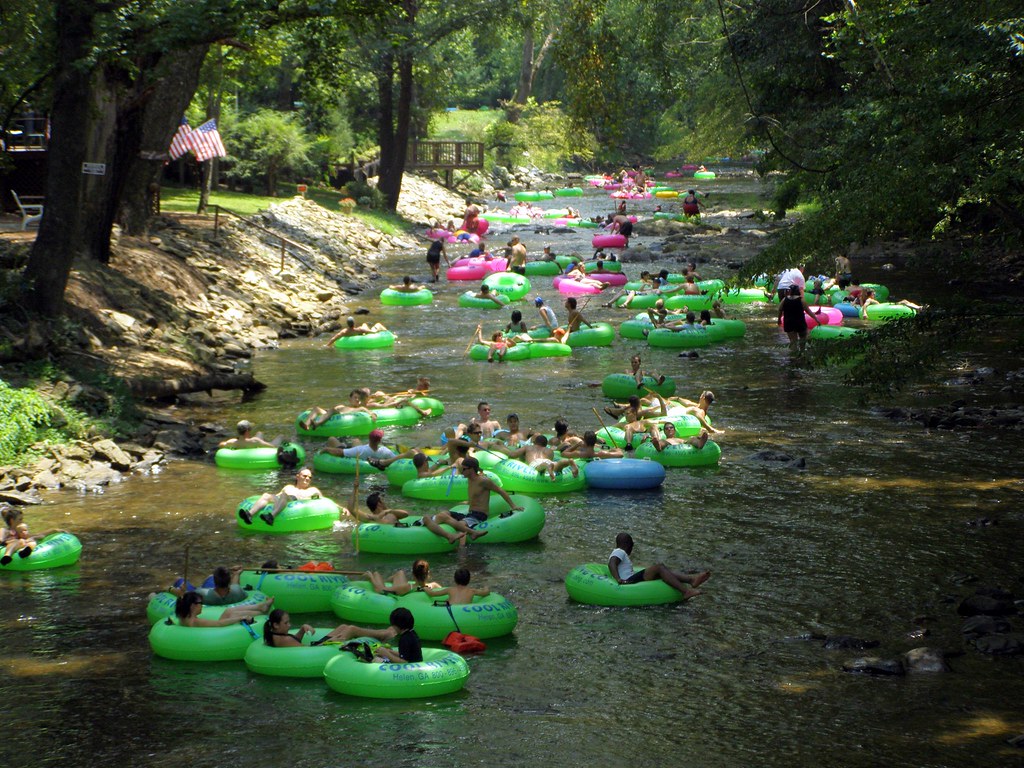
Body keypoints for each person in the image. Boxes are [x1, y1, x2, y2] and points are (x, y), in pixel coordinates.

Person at [608, 532, 709, 600]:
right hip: (627, 581)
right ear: (628, 545)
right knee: (659, 567)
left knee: (663, 571)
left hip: (629, 578)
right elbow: (612, 563)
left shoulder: (618, 552)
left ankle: (691, 579)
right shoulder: (619, 551)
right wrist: (618, 579)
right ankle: (686, 591)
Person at [239, 468, 324, 526]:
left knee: (284, 496)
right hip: (282, 499)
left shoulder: (313, 490)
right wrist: (271, 498)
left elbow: (323, 500)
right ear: (297, 476)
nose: (307, 479)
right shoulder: (288, 487)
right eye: (304, 476)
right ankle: (249, 514)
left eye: (310, 477)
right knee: (266, 495)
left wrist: (307, 499)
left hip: (295, 501)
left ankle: (271, 516)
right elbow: (277, 496)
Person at [458, 457, 523, 527]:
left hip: (479, 515)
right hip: (470, 513)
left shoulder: (483, 481)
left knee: (460, 525)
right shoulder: (469, 479)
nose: (462, 472)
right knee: (445, 514)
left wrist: (513, 506)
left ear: (471, 469)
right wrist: (468, 502)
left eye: (464, 469)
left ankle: (471, 533)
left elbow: (500, 491)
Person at [491, 434, 580, 481]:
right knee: (557, 465)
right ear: (545, 445)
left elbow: (512, 455)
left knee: (541, 466)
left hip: (538, 463)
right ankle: (569, 462)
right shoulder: (549, 451)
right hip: (548, 462)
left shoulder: (528, 447)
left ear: (534, 442)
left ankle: (547, 466)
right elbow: (551, 460)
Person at [173, 591, 274, 628]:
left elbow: (182, 599)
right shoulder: (195, 621)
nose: (202, 605)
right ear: (192, 606)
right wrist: (241, 618)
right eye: (201, 603)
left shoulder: (183, 616)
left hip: (211, 632)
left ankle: (260, 607)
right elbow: (219, 624)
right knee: (233, 615)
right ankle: (262, 612)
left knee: (228, 611)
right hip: (214, 636)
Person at [170, 565, 249, 605]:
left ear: (215, 581)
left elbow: (183, 595)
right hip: (222, 595)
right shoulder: (238, 592)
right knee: (210, 577)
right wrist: (236, 574)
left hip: (210, 595)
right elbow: (235, 585)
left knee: (179, 579)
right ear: (229, 581)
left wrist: (171, 589)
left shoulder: (202, 594)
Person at [302, 389, 377, 430]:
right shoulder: (342, 406)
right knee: (316, 408)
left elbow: (370, 413)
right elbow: (328, 410)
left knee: (333, 410)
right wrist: (313, 409)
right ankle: (306, 425)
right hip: (332, 412)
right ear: (350, 399)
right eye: (355, 397)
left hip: (340, 416)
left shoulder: (360, 408)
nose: (357, 400)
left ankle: (317, 424)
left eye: (359, 398)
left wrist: (373, 415)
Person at [778, 284, 821, 354]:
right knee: (803, 340)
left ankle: (793, 357)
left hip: (788, 323)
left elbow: (780, 310)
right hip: (800, 323)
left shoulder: (784, 299)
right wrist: (816, 319)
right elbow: (808, 311)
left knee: (793, 341)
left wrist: (779, 320)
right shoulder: (801, 300)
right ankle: (802, 354)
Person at [365, 559, 442, 596]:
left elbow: (380, 590)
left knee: (376, 574)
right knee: (400, 573)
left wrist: (371, 577)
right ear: (428, 574)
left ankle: (384, 580)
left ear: (413, 574)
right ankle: (388, 580)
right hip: (401, 587)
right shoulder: (434, 585)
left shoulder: (406, 587)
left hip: (397, 590)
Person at [422, 568, 490, 605]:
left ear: (455, 580)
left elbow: (432, 594)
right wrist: (486, 587)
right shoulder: (472, 591)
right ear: (468, 580)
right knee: (447, 600)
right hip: (464, 612)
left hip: (451, 610)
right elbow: (486, 593)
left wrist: (425, 588)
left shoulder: (450, 590)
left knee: (448, 600)